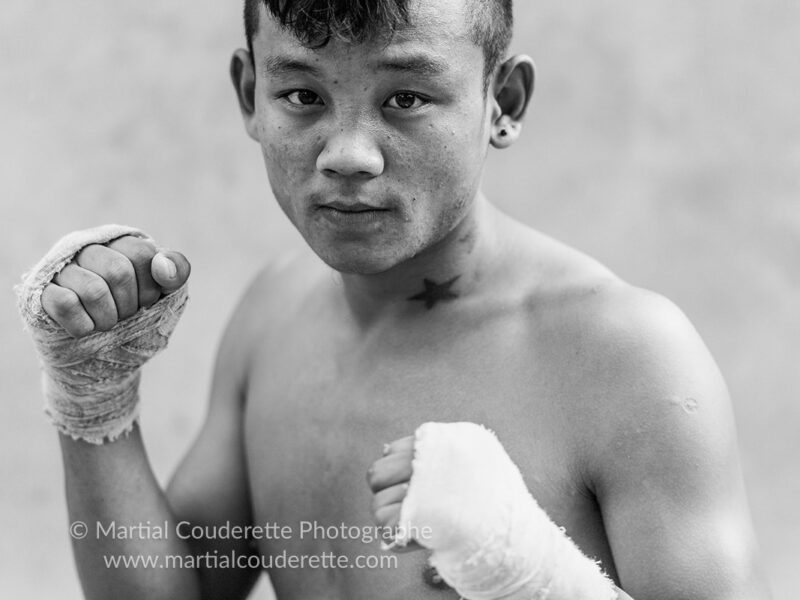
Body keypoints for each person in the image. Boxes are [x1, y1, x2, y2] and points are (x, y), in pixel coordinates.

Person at [19, 0, 771, 598]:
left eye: (406, 97)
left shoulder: (627, 355)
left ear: (501, 101)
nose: (348, 154)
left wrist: (535, 579)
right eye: (303, 94)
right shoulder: (272, 313)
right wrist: (96, 399)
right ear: (251, 94)